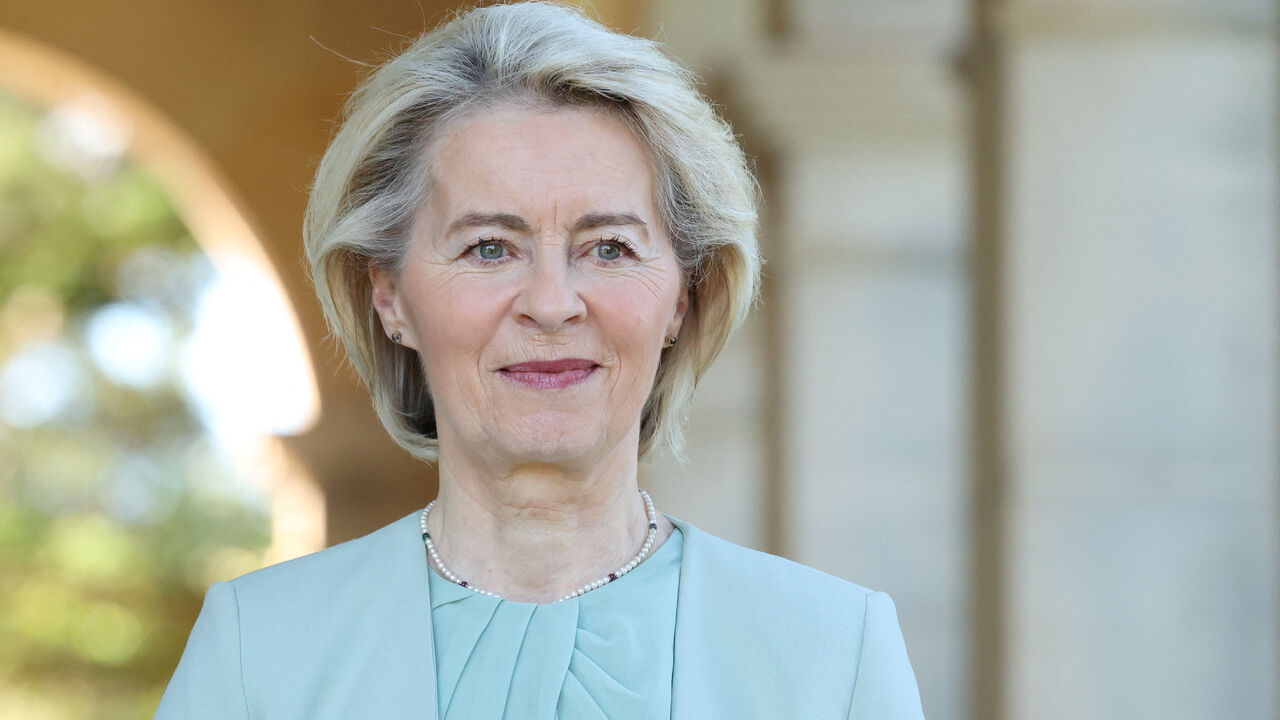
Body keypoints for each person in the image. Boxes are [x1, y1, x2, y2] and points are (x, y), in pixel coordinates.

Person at [156, 2, 925, 718]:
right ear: (389, 295)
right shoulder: (257, 651)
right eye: (490, 247)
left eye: (609, 247)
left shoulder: (835, 651)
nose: (553, 303)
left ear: (683, 296)